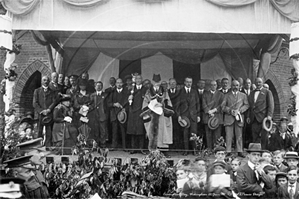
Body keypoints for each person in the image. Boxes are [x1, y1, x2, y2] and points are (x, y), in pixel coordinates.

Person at [141, 74, 174, 156]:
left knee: (163, 132)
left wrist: (163, 106)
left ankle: (163, 151)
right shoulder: (149, 92)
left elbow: (168, 102)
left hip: (162, 115)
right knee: (152, 132)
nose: (156, 83)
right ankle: (153, 151)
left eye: (158, 81)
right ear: (152, 82)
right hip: (152, 115)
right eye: (155, 81)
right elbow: (145, 102)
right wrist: (151, 107)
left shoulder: (164, 91)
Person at [221, 80, 249, 157]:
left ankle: (239, 151)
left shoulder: (243, 95)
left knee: (239, 135)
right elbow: (222, 106)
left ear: (239, 86)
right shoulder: (226, 95)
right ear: (231, 86)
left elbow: (246, 105)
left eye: (237, 85)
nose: (235, 87)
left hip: (239, 118)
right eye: (234, 85)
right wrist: (230, 111)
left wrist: (239, 111)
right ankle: (228, 151)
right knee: (228, 135)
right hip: (229, 118)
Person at [248, 77, 274, 150]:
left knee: (264, 137)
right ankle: (256, 152)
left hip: (263, 118)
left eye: (259, 82)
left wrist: (269, 115)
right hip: (254, 118)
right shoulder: (252, 93)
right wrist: (248, 116)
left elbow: (271, 105)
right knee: (254, 136)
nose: (258, 84)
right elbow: (250, 106)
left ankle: (264, 152)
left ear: (262, 83)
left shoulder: (267, 92)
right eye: (256, 82)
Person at [177, 77, 200, 155]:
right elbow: (177, 105)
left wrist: (198, 115)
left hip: (193, 116)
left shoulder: (194, 92)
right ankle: (186, 150)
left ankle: (195, 150)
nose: (189, 83)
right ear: (184, 82)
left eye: (190, 82)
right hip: (184, 117)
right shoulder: (180, 92)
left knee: (194, 134)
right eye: (187, 82)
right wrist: (179, 116)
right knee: (185, 134)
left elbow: (198, 104)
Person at [33, 76, 56, 148]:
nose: (46, 82)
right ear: (41, 81)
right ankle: (38, 147)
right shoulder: (37, 91)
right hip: (40, 114)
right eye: (44, 80)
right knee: (39, 131)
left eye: (47, 80)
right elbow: (35, 103)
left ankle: (48, 147)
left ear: (49, 82)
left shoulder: (52, 92)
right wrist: (41, 111)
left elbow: (54, 102)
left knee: (49, 131)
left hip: (49, 114)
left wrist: (49, 109)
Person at [127, 74, 147, 154]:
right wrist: (129, 100)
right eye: (137, 79)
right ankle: (133, 148)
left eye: (139, 79)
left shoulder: (145, 89)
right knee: (133, 131)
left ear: (141, 80)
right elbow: (127, 100)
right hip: (133, 112)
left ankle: (141, 148)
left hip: (141, 112)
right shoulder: (131, 89)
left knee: (141, 131)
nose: (138, 80)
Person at [202, 80, 224, 152]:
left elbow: (222, 105)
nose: (213, 86)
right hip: (208, 116)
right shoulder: (205, 94)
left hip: (217, 117)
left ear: (217, 86)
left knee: (217, 135)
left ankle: (216, 150)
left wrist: (214, 110)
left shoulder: (221, 94)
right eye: (211, 85)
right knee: (208, 135)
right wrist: (208, 111)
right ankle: (209, 149)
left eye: (214, 85)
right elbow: (203, 104)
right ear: (209, 86)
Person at [107, 78, 128, 150]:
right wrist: (114, 104)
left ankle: (124, 146)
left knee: (123, 131)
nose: (119, 84)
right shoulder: (112, 93)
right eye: (117, 83)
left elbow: (128, 102)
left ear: (122, 84)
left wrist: (123, 107)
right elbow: (108, 103)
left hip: (123, 114)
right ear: (115, 84)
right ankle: (114, 146)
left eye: (120, 83)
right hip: (114, 114)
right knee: (114, 131)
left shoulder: (126, 92)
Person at [89, 81, 108, 148]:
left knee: (103, 130)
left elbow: (107, 106)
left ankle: (103, 144)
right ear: (95, 87)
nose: (98, 87)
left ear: (102, 87)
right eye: (97, 85)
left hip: (102, 115)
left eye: (100, 85)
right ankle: (96, 144)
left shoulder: (105, 95)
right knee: (95, 130)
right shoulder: (92, 95)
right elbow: (90, 104)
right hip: (94, 115)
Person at [168, 78, 182, 150]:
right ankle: (170, 147)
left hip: (177, 114)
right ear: (169, 84)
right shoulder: (166, 93)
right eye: (171, 83)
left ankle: (177, 147)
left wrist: (179, 115)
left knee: (177, 131)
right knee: (169, 131)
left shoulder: (179, 93)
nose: (172, 84)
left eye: (174, 83)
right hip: (168, 115)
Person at [196, 79, 206, 148]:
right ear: (197, 84)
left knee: (204, 130)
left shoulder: (207, 92)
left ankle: (204, 145)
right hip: (197, 114)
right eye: (200, 83)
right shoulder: (194, 92)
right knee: (197, 130)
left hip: (205, 114)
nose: (202, 85)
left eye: (203, 83)